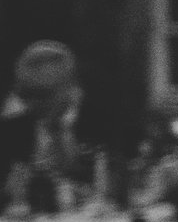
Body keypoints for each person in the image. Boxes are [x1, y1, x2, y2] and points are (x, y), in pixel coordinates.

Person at [0, 39, 104, 181]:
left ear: (69, 88)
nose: (33, 103)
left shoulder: (97, 121)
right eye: (28, 94)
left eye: (43, 94)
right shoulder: (11, 130)